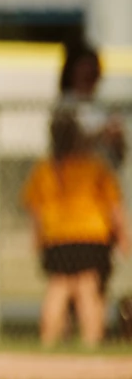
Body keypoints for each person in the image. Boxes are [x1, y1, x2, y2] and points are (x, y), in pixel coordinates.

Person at [22, 110, 127, 348]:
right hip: (91, 236)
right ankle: (91, 343)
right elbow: (113, 207)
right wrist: (122, 236)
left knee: (58, 288)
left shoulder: (46, 169)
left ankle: (47, 343)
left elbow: (35, 210)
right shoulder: (94, 167)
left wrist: (37, 238)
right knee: (87, 288)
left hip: (57, 236)